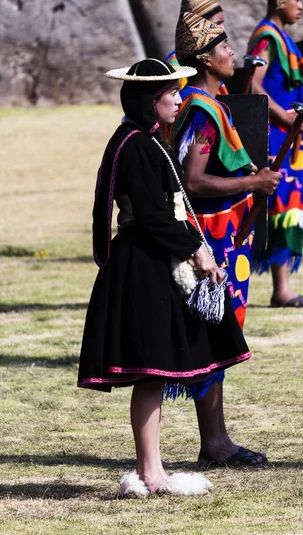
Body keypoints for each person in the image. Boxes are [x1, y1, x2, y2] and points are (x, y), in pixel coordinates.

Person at [77, 58, 252, 496]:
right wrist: (197, 250)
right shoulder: (135, 145)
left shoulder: (144, 139)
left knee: (154, 372)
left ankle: (151, 468)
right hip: (145, 265)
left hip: (152, 261)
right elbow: (154, 216)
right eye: (169, 94)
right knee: (150, 371)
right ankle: (150, 471)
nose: (178, 99)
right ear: (148, 101)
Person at [171, 10, 281, 466]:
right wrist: (252, 185)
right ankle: (214, 443)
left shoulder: (212, 104)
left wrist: (252, 175)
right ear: (205, 60)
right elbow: (193, 181)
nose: (232, 53)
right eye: (223, 48)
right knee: (214, 332)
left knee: (220, 332)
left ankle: (216, 439)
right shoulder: (201, 110)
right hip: (209, 238)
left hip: (224, 235)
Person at [246, 0, 303, 308]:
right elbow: (254, 85)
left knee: (289, 204)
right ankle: (281, 288)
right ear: (279, 1)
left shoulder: (282, 36)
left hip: (289, 134)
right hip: (274, 134)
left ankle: (283, 285)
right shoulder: (266, 37)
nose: (301, 6)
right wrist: (284, 115)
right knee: (279, 203)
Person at [165, 0, 228, 94]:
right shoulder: (178, 68)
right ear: (199, 27)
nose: (223, 29)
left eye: (222, 23)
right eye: (217, 24)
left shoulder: (214, 61)